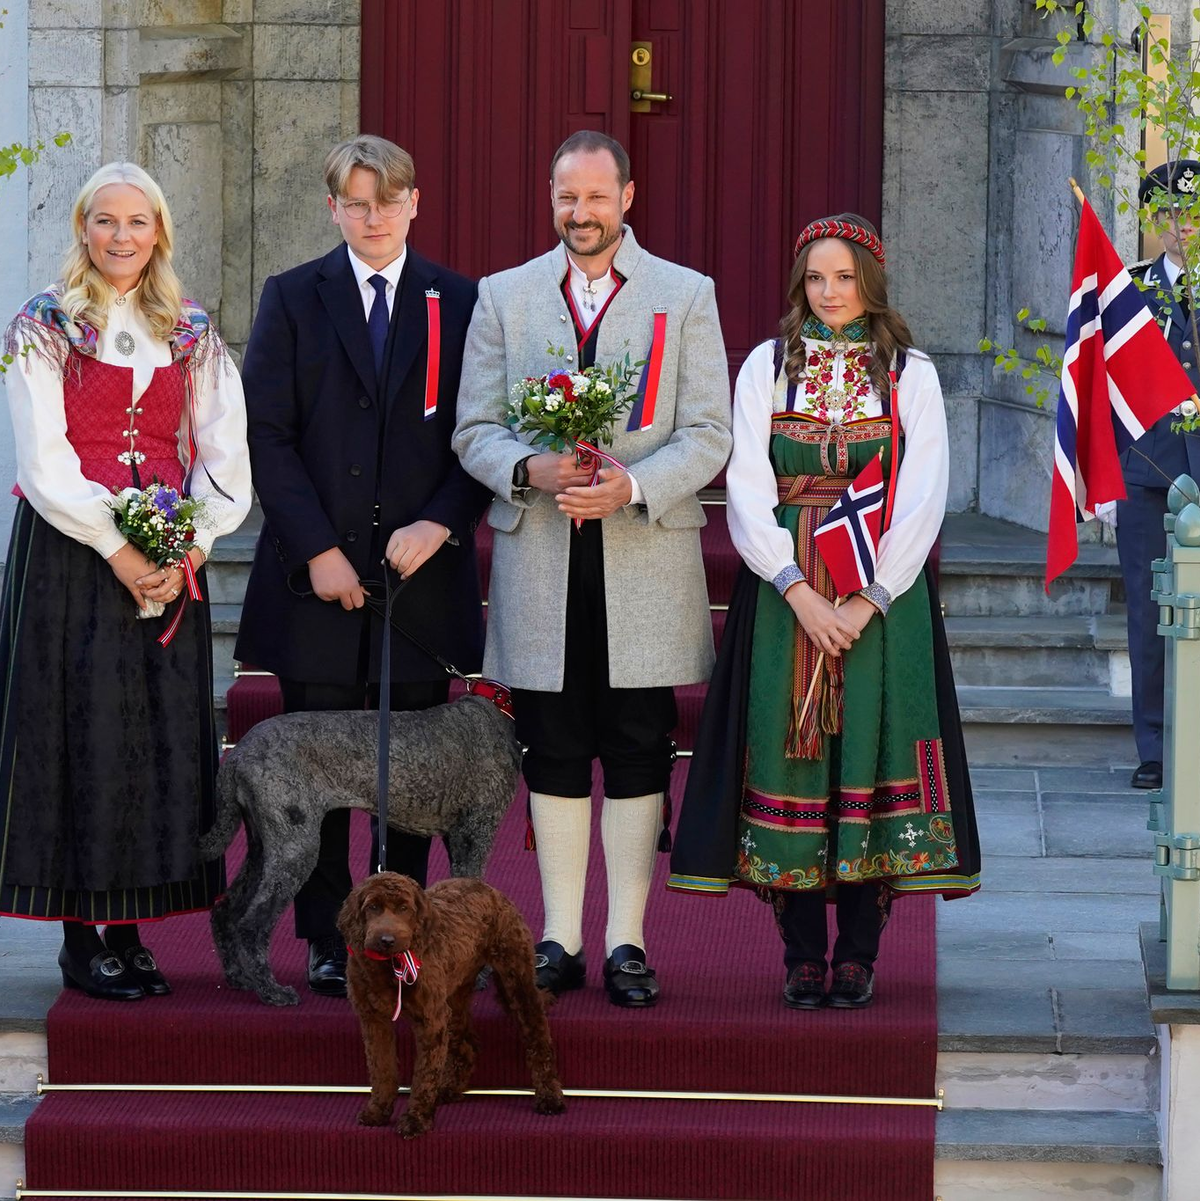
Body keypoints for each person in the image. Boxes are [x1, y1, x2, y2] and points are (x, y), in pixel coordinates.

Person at [668, 215, 980, 1011]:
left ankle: (861, 950)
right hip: (788, 595)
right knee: (789, 754)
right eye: (815, 278)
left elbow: (922, 493)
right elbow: (745, 486)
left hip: (883, 599)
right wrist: (797, 589)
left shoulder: (911, 372)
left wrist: (870, 596)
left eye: (843, 277)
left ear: (870, 283)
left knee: (871, 753)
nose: (830, 292)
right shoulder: (767, 368)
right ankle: (803, 949)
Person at [453, 130, 732, 1009]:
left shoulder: (684, 296)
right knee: (555, 748)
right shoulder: (504, 297)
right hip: (542, 557)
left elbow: (711, 432)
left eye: (598, 197)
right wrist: (530, 469)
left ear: (628, 197)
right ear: (550, 197)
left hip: (642, 558)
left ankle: (627, 941)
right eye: (568, 198)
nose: (583, 213)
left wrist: (633, 486)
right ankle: (560, 936)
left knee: (640, 747)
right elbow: (472, 428)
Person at [235, 135, 488, 997]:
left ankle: (408, 933)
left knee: (408, 772)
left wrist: (442, 523)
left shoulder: (458, 301)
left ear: (416, 203)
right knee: (317, 771)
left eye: (388, 200)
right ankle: (327, 935)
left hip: (421, 582)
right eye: (355, 200)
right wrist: (316, 552)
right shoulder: (293, 296)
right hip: (318, 581)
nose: (372, 215)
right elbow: (264, 432)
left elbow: (479, 435)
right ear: (332, 207)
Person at [0, 162, 251, 999]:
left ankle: (132, 925)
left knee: (156, 736)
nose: (120, 237)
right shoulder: (42, 324)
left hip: (170, 553)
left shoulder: (187, 327)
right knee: (81, 732)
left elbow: (223, 450)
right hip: (75, 555)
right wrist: (118, 546)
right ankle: (81, 933)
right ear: (82, 228)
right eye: (105, 221)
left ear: (159, 234)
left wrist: (192, 540)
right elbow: (43, 461)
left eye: (137, 223)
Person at [1097, 160, 1200, 791]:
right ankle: (1156, 746)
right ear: (1153, 223)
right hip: (1149, 472)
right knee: (1149, 612)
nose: (1182, 228)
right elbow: (1103, 386)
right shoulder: (1130, 293)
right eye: (1170, 216)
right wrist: (1104, 478)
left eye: (1192, 215)